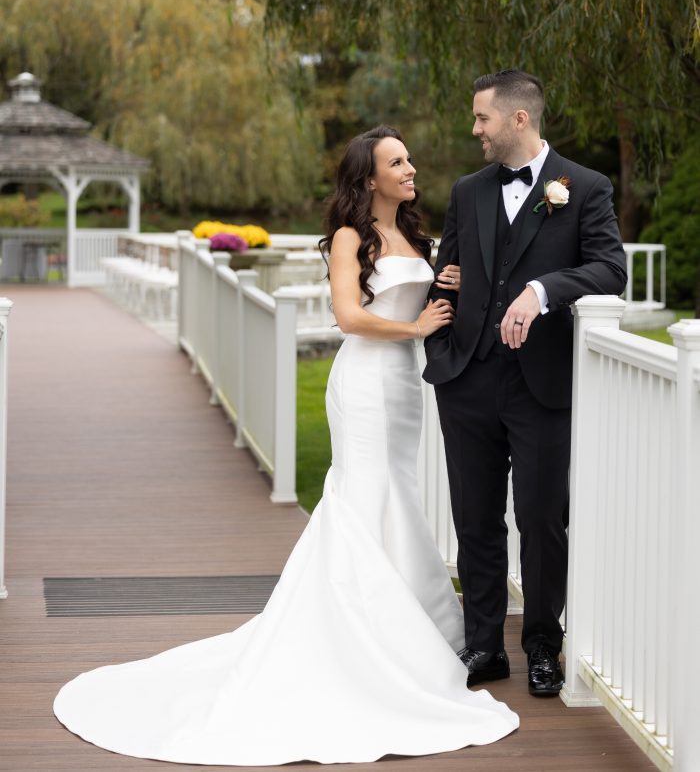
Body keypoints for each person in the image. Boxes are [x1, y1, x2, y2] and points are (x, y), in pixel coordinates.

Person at [54, 125, 518, 765]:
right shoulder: (351, 238)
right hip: (362, 381)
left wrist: (449, 288)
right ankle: (357, 637)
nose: (412, 168)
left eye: (410, 158)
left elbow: (426, 294)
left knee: (397, 495)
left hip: (406, 387)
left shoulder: (416, 235)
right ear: (368, 177)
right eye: (397, 162)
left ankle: (412, 632)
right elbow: (350, 317)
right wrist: (415, 324)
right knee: (363, 498)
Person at [423, 70, 627, 697]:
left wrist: (542, 291)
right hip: (470, 379)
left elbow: (610, 268)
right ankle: (484, 644)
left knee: (542, 519)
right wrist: (442, 351)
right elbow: (447, 275)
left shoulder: (585, 187)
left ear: (519, 119)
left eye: (482, 118)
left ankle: (543, 644)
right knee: (475, 517)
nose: (474, 129)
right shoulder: (467, 191)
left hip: (542, 384)